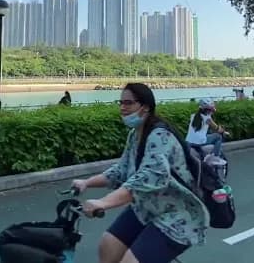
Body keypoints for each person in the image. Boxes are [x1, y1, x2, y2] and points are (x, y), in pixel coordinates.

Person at [71, 83, 207, 263]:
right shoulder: (135, 134)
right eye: (121, 102)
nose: (122, 107)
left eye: (128, 103)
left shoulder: (160, 136)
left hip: (177, 214)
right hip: (147, 207)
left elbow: (147, 179)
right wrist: (87, 182)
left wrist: (103, 202)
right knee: (108, 244)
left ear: (145, 107)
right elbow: (121, 170)